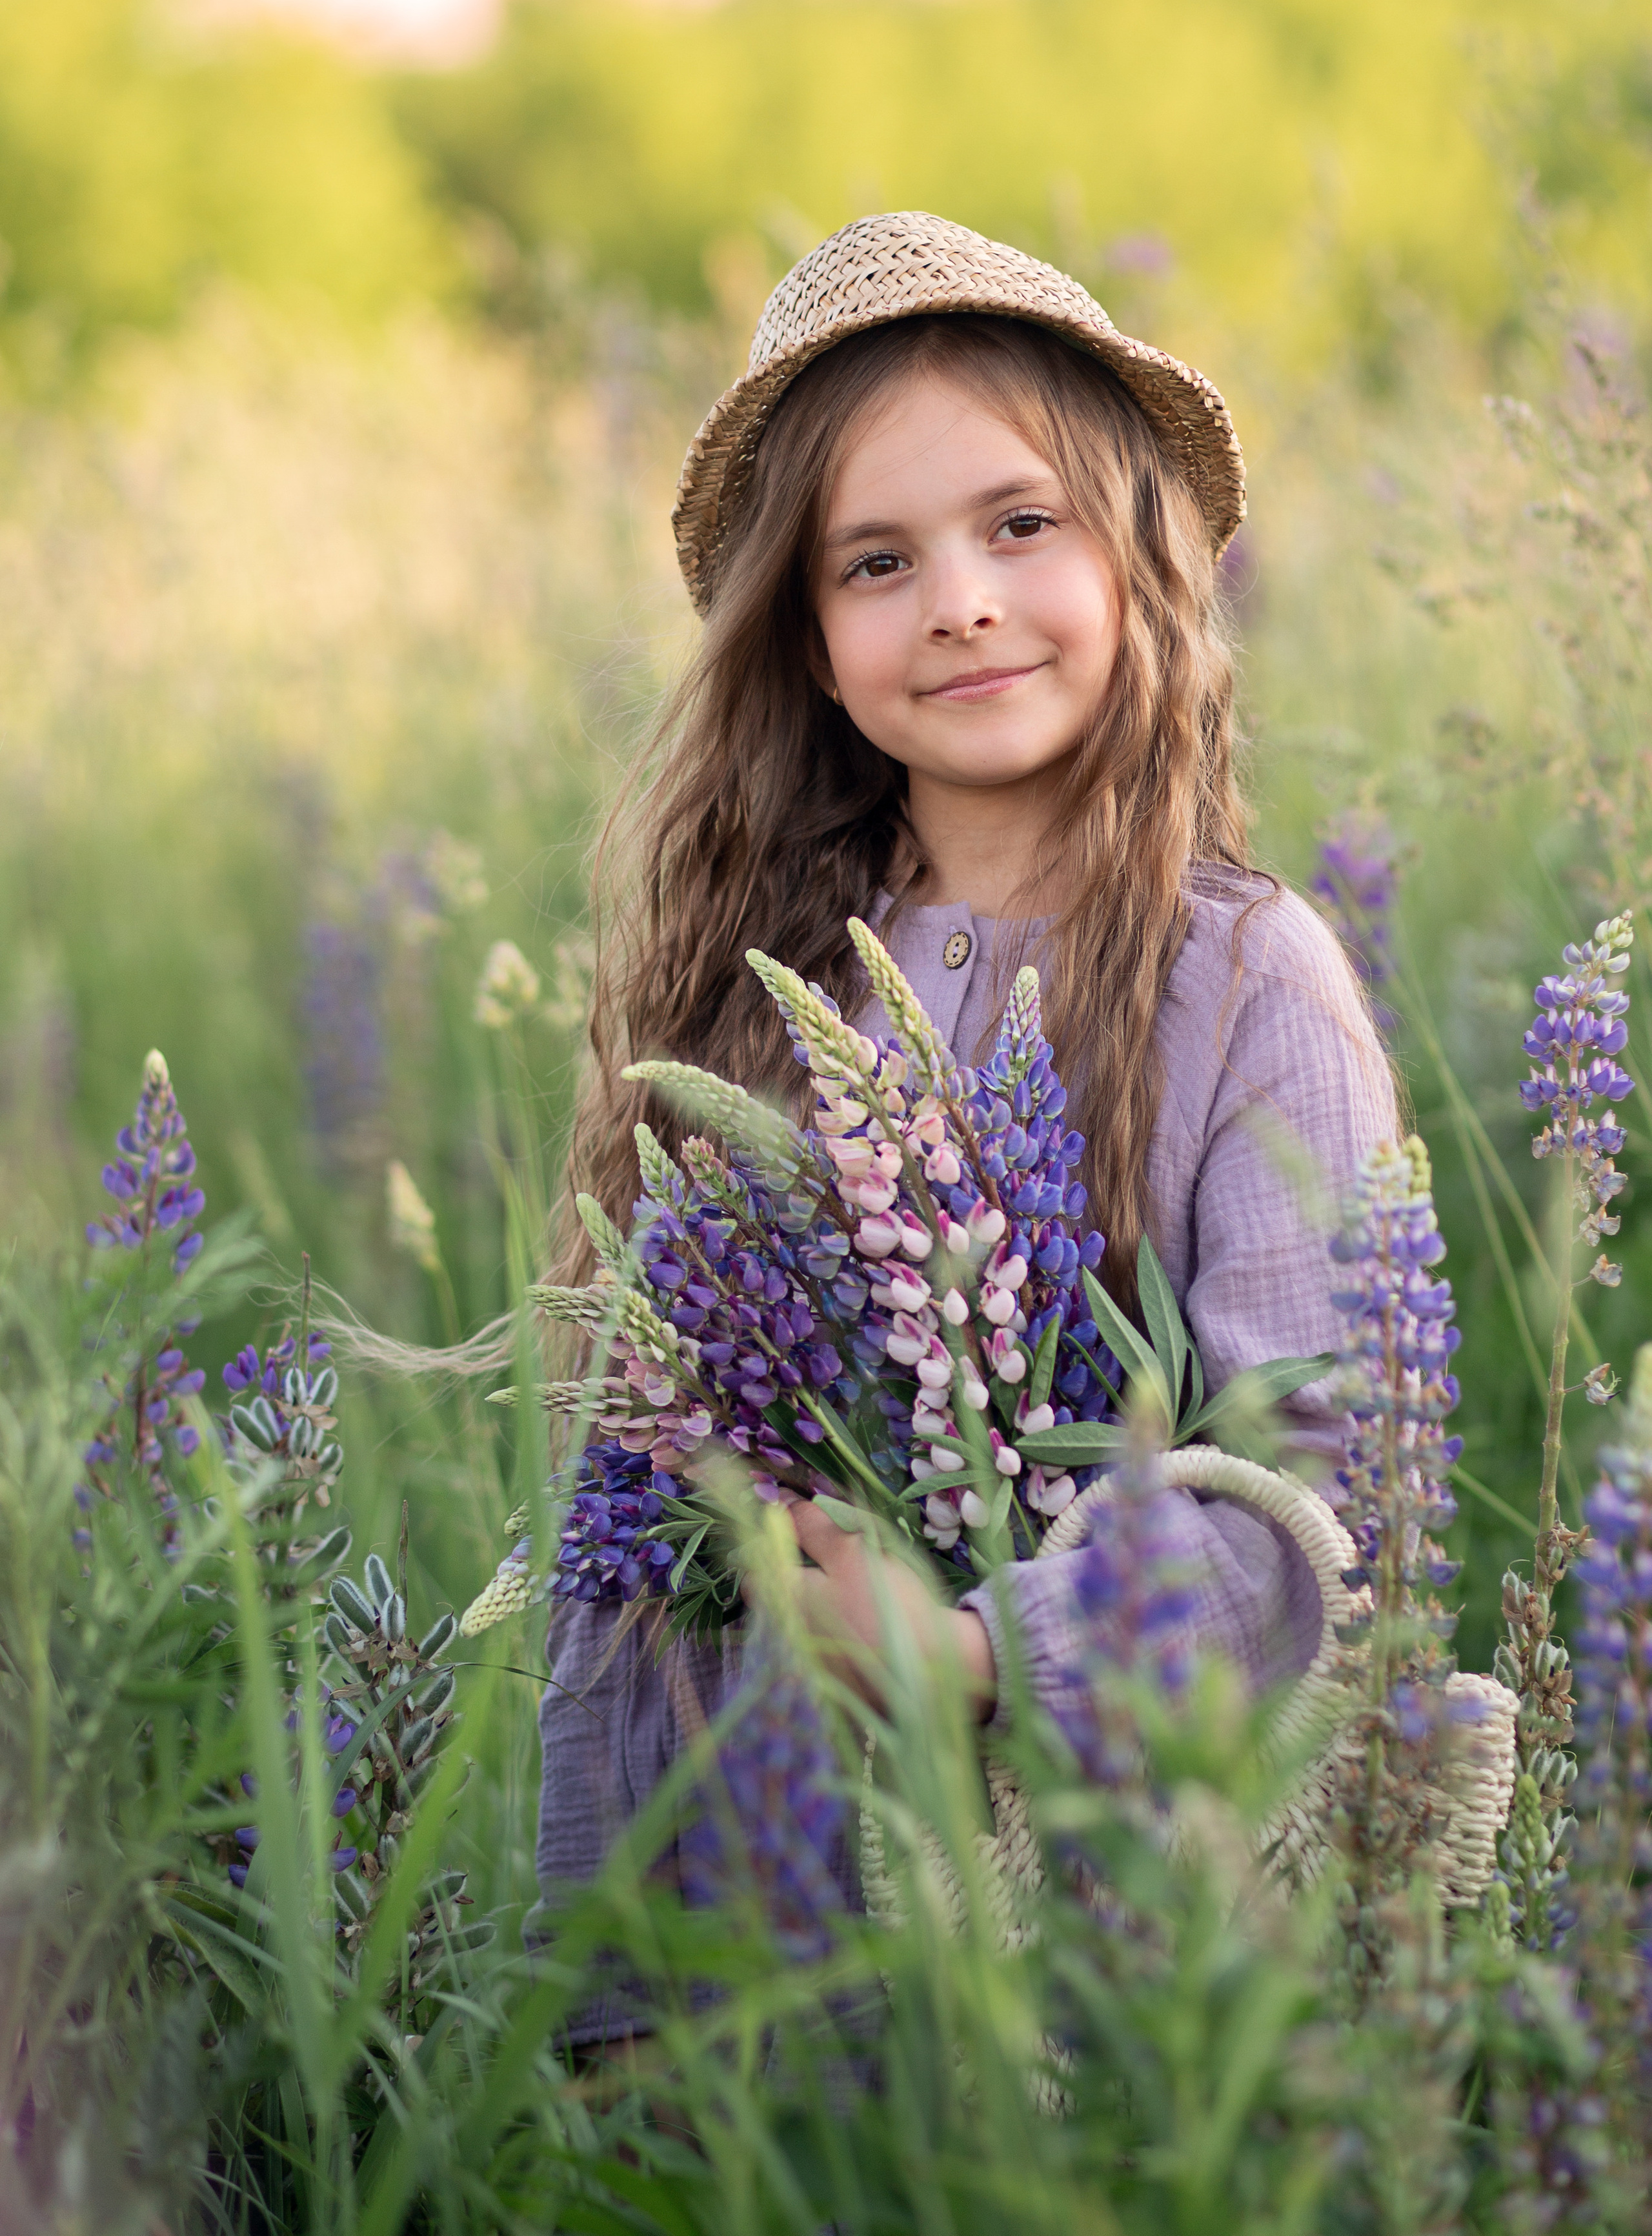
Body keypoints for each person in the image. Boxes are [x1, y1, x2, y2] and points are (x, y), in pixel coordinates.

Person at [536, 210, 1395, 2042]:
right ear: (807, 638)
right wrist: (611, 2000)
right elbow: (630, 1540)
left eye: (1022, 523)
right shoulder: (758, 1003)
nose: (964, 599)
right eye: (876, 559)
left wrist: (986, 1654)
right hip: (770, 1950)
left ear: (1140, 550)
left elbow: (1307, 1492)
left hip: (1122, 1948)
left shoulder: (1245, 979)